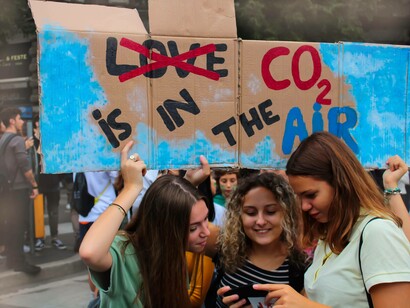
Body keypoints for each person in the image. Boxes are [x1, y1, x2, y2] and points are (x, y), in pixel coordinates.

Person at [252, 132, 410, 308]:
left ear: (340, 183)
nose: (304, 206)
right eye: (299, 197)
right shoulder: (329, 235)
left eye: (311, 195)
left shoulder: (378, 232)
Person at [80, 141, 212, 307]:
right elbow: (90, 253)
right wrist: (131, 187)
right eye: (193, 228)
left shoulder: (172, 253)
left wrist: (187, 185)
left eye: (206, 219)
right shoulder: (125, 252)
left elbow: (174, 213)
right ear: (165, 228)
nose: (206, 232)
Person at [215, 172, 308, 307]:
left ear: (286, 213)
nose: (260, 221)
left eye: (270, 211)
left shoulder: (300, 268)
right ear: (238, 215)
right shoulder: (225, 249)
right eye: (251, 213)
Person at [0, 107, 41, 274]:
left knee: (11, 224)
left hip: (7, 189)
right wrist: (35, 186)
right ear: (12, 120)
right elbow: (26, 168)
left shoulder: (3, 139)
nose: (22, 121)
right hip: (18, 189)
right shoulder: (16, 140)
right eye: (19, 118)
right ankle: (19, 262)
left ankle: (11, 259)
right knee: (19, 224)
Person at [32, 114, 66, 250]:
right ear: (36, 124)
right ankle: (39, 238)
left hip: (53, 182)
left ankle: (54, 237)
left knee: (53, 212)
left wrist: (60, 178)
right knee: (38, 212)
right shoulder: (31, 142)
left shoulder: (51, 141)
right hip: (38, 183)